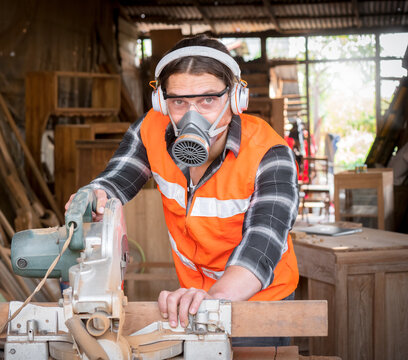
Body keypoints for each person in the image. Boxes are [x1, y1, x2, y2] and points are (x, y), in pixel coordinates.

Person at [66, 34, 299, 347]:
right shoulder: (151, 129)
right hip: (194, 301)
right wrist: (94, 195)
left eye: (208, 100)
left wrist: (210, 299)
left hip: (259, 301)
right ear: (162, 102)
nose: (193, 116)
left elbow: (261, 246)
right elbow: (116, 179)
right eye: (179, 102)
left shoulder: (269, 154)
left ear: (235, 99)